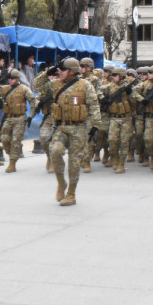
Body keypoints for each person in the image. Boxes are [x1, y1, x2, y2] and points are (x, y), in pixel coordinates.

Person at [47, 57, 101, 205]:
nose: (60, 72)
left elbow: (94, 105)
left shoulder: (85, 85)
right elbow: (37, 85)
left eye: (63, 70)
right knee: (55, 151)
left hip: (78, 128)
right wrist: (48, 72)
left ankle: (71, 194)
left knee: (74, 161)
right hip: (61, 126)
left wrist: (95, 125)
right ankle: (61, 183)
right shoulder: (56, 84)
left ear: (72, 72)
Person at [0, 69, 36, 172]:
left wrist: (31, 116)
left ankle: (12, 163)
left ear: (17, 78)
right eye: (9, 78)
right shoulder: (5, 88)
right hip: (8, 118)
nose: (10, 80)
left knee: (15, 141)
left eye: (12, 78)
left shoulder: (24, 89)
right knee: (4, 140)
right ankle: (13, 155)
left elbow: (33, 102)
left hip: (20, 118)